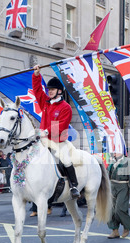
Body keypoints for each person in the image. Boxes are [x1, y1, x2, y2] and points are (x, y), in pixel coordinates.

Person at [33, 65, 80, 199]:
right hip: (43, 140)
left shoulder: (66, 107)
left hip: (58, 141)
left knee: (65, 160)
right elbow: (37, 91)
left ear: (60, 91)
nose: (50, 92)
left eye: (52, 89)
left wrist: (46, 131)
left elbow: (61, 125)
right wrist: (36, 75)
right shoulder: (46, 103)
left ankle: (74, 186)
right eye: (49, 89)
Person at [107, 151, 130, 239]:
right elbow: (108, 175)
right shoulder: (111, 161)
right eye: (114, 151)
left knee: (119, 208)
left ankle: (126, 227)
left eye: (117, 151)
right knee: (110, 210)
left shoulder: (128, 161)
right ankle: (114, 230)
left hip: (123, 186)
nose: (114, 153)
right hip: (112, 186)